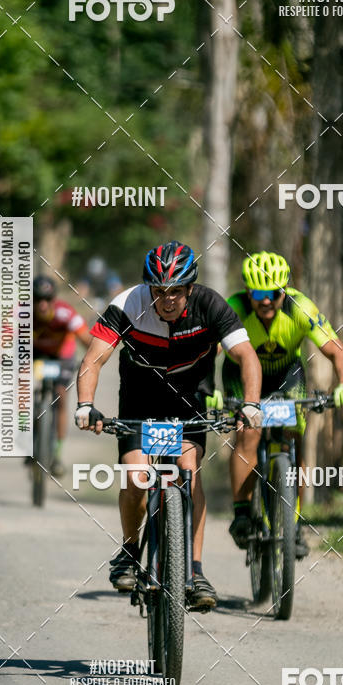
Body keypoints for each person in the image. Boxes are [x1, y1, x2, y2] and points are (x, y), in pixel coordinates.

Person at [74, 241, 262, 611]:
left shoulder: (211, 305)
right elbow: (93, 360)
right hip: (139, 402)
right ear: (149, 288)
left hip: (189, 401)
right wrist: (85, 405)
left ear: (190, 288)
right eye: (160, 291)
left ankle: (193, 570)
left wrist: (252, 403)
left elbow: (247, 357)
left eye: (176, 291)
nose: (168, 299)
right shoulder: (127, 304)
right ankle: (130, 550)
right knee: (137, 476)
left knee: (189, 476)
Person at [222, 252, 343, 558]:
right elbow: (208, 350)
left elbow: (337, 351)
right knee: (248, 434)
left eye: (273, 294)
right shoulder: (235, 309)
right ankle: (242, 512)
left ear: (283, 291)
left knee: (293, 438)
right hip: (240, 375)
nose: (266, 301)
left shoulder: (300, 308)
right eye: (258, 294)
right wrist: (207, 390)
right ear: (247, 292)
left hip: (286, 375)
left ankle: (293, 524)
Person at [0, 275, 91, 477]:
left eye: (47, 299)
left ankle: (57, 452)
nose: (42, 305)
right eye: (37, 300)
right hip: (32, 353)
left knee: (61, 397)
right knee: (23, 383)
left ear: (54, 299)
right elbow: (2, 336)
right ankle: (23, 428)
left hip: (61, 354)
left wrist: (92, 360)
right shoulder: (21, 311)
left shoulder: (66, 313)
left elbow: (86, 340)